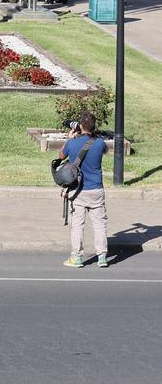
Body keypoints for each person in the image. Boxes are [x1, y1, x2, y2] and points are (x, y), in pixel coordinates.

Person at [60, 113, 109, 268]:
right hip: (96, 189)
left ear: (79, 126)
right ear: (94, 127)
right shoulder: (100, 143)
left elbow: (61, 156)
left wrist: (70, 138)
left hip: (78, 190)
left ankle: (77, 257)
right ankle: (102, 256)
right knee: (99, 224)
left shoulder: (72, 143)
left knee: (78, 224)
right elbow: (105, 149)